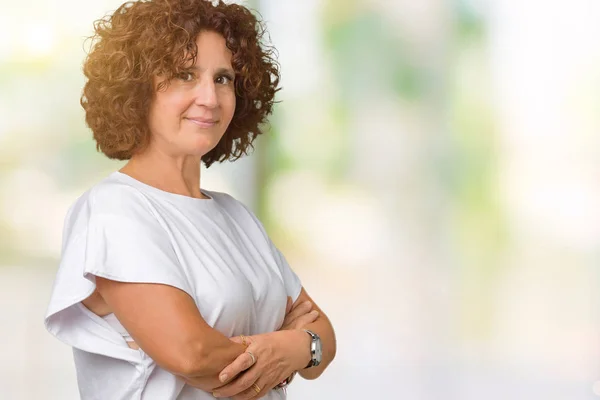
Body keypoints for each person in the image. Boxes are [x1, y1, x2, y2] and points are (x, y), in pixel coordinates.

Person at [43, 1, 337, 399]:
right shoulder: (115, 211)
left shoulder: (237, 217)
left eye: (223, 78)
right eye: (184, 75)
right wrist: (292, 349)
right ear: (136, 88)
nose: (210, 99)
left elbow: (325, 335)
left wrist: (298, 346)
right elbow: (194, 354)